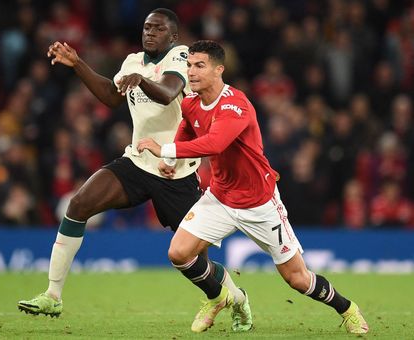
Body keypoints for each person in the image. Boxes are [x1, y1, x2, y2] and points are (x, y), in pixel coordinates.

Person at [17, 9, 249, 331]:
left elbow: (169, 94)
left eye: (158, 28)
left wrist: (141, 80)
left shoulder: (181, 56)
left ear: (173, 35)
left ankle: (236, 298)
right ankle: (53, 294)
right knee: (79, 204)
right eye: (146, 27)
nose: (149, 33)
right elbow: (113, 97)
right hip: (138, 161)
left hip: (176, 172)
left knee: (194, 260)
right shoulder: (132, 62)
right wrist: (78, 65)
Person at [137, 40, 369, 334]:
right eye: (189, 65)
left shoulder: (236, 104)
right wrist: (175, 157)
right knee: (179, 253)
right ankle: (224, 297)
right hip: (220, 198)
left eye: (199, 65)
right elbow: (188, 126)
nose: (191, 72)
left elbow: (215, 143)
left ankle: (347, 309)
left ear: (219, 69)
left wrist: (165, 150)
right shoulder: (191, 102)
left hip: (259, 203)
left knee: (297, 279)